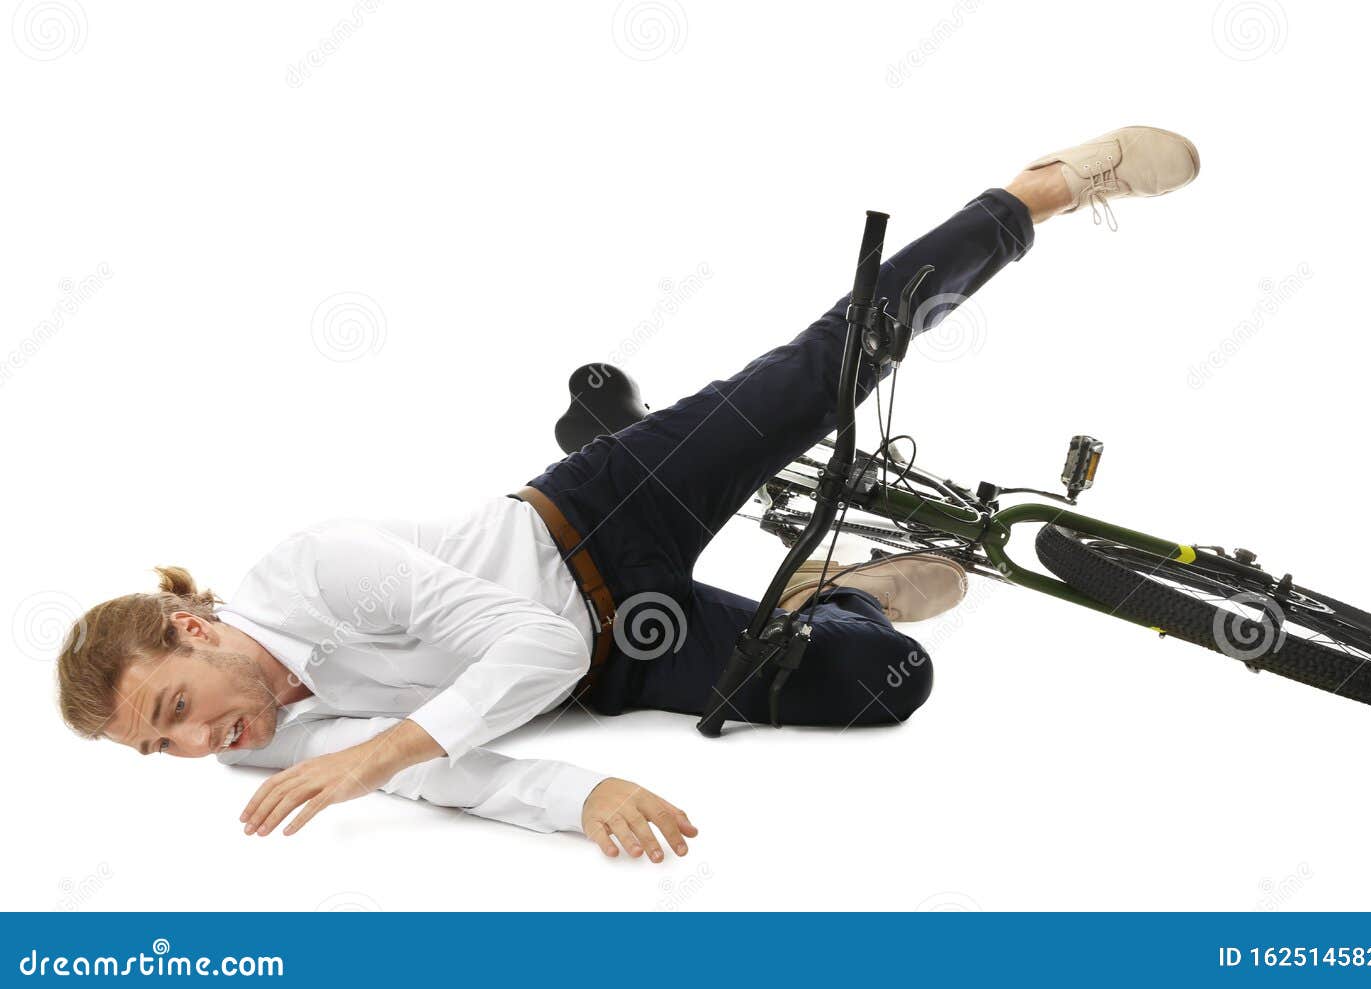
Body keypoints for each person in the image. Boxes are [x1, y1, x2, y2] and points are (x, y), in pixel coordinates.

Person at [53, 127, 1200, 862]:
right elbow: (452, 774)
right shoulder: (260, 749)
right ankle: (841, 592)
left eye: (174, 711)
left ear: (193, 630)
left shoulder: (316, 570)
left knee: (822, 373)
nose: (202, 744)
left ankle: (1038, 191)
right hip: (623, 663)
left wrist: (369, 757)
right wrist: (583, 789)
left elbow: (525, 650)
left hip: (595, 518)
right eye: (164, 753)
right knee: (882, 684)